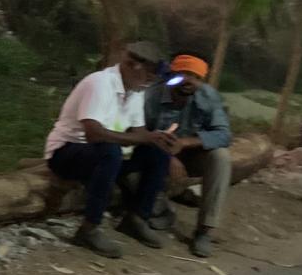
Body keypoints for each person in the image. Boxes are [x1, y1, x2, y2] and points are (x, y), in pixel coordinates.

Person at [45, 42, 177, 258]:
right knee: (110, 151)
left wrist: (157, 138)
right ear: (131, 64)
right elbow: (93, 134)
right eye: (149, 73)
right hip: (67, 153)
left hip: (103, 155)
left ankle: (137, 217)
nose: (151, 80)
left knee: (158, 151)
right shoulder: (99, 83)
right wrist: (143, 138)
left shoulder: (136, 90)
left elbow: (139, 132)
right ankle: (89, 228)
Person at [142, 53, 232, 257]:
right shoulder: (152, 95)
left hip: (191, 154)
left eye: (195, 77)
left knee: (221, 157)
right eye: (183, 74)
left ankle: (205, 230)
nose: (188, 81)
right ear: (172, 74)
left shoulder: (208, 96)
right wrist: (168, 157)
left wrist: (184, 143)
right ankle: (161, 208)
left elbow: (224, 135)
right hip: (154, 153)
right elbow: (138, 132)